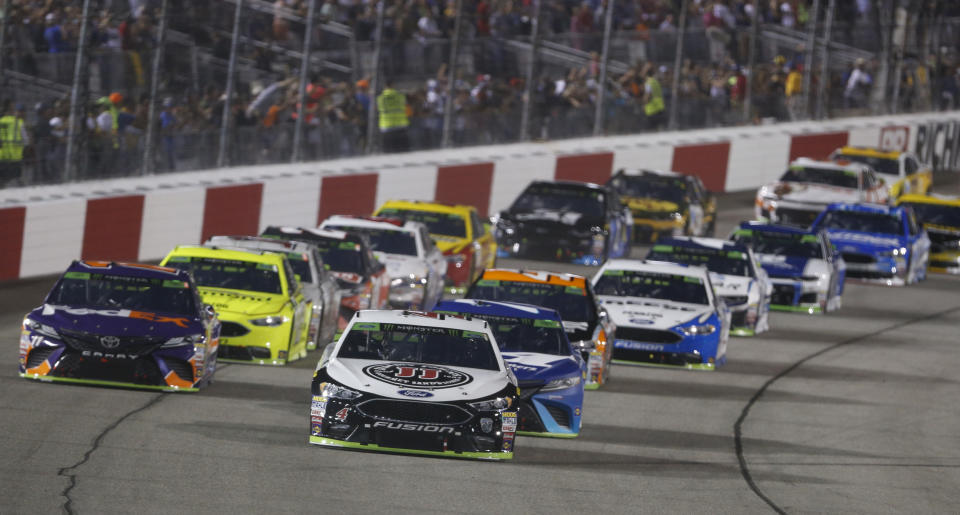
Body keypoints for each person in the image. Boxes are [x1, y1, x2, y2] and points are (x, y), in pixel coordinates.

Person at [377, 79, 410, 153]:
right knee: (403, 152)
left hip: (386, 127)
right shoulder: (400, 96)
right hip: (400, 126)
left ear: (385, 86)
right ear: (393, 85)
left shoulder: (380, 98)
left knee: (388, 152)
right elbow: (405, 106)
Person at [642, 64, 666, 131]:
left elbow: (648, 95)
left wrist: (644, 104)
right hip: (660, 108)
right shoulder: (655, 81)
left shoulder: (648, 82)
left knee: (650, 132)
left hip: (652, 110)